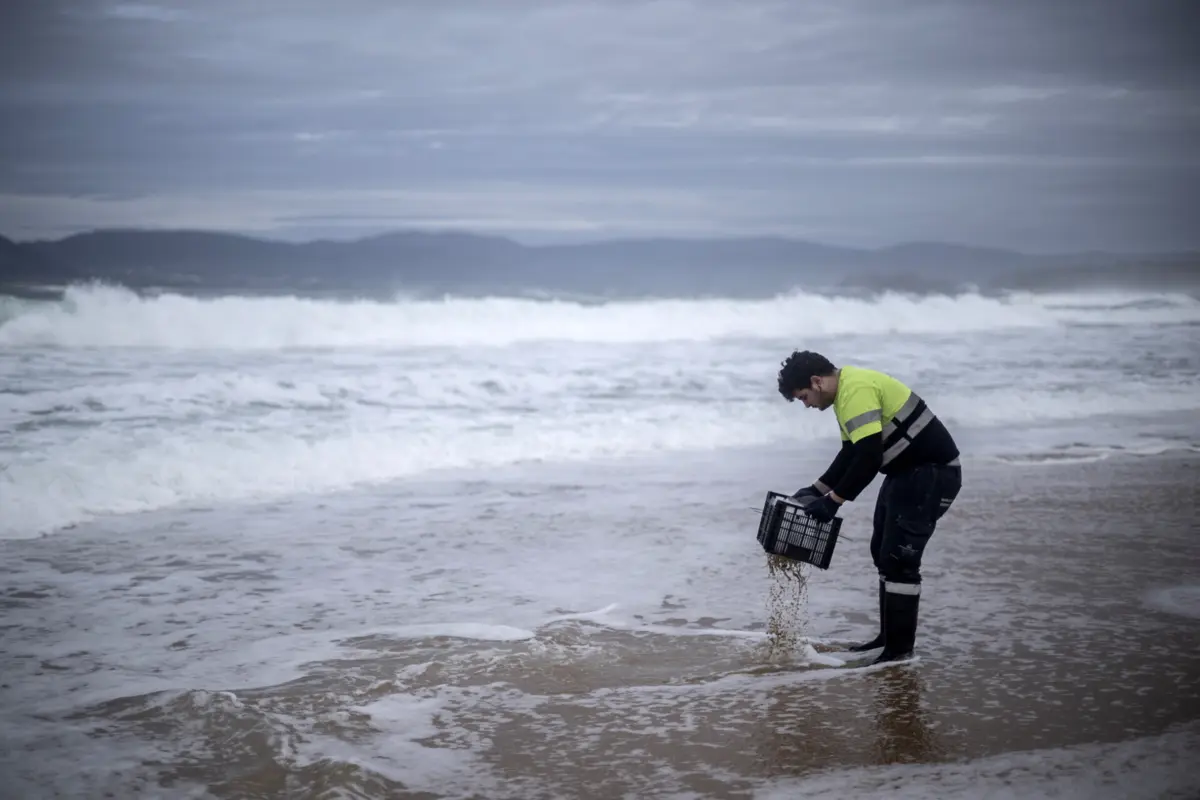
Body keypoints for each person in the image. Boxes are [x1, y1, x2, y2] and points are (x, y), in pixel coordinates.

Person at [776, 350, 962, 664]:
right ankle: (888, 639)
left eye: (803, 397)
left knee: (899, 559)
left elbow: (869, 458)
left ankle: (899, 652)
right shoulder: (847, 391)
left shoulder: (856, 390)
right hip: (907, 473)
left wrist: (832, 503)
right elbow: (851, 453)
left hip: (932, 474)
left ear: (817, 382)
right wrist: (816, 490)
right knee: (882, 552)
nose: (806, 405)